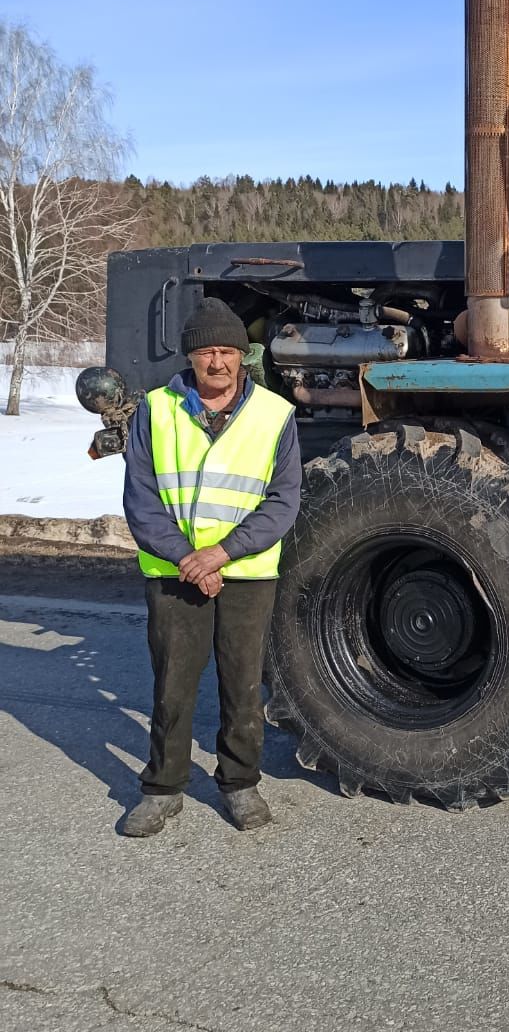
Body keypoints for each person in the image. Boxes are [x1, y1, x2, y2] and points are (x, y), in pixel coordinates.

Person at [119, 298, 302, 837]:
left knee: (243, 685)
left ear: (243, 356)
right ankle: (162, 788)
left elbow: (283, 500)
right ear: (190, 357)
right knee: (172, 684)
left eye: (226, 351)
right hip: (174, 573)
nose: (216, 362)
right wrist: (187, 559)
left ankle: (240, 783)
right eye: (205, 352)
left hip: (244, 574)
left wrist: (222, 554)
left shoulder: (275, 415)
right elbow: (142, 499)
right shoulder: (154, 410)